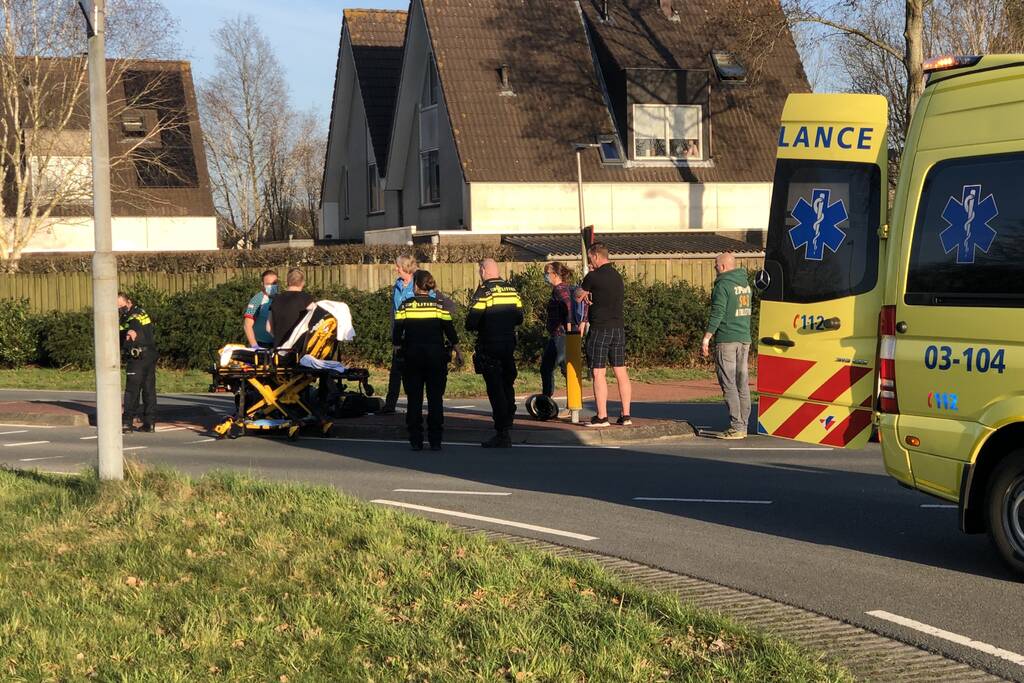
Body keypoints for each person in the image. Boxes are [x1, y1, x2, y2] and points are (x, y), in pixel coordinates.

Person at [393, 270, 461, 451]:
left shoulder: (406, 306)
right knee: (435, 399)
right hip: (436, 358)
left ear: (416, 285)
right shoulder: (439, 306)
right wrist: (458, 352)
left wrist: (398, 351)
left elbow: (397, 334)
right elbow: (450, 331)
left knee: (414, 399)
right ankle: (436, 439)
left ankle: (416, 439)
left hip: (412, 358)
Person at [466, 258, 524, 448]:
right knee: (508, 382)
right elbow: (519, 317)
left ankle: (501, 432)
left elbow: (471, 322)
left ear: (483, 271)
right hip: (508, 344)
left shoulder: (484, 292)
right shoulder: (511, 290)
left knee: (495, 387)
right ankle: (509, 417)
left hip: (490, 344)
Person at [575, 242, 632, 427]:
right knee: (621, 371)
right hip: (618, 327)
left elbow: (577, 295)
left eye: (591, 258)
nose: (590, 261)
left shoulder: (593, 276)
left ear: (596, 256)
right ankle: (626, 415)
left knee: (598, 372)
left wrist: (584, 293)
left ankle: (602, 416)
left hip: (600, 328)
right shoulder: (617, 276)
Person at [702, 251, 753, 439]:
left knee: (729, 383)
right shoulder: (745, 284)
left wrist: (707, 337)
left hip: (727, 339)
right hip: (744, 337)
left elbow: (718, 312)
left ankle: (736, 426)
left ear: (723, 266)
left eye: (716, 265)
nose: (715, 268)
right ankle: (744, 425)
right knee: (742, 383)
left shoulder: (723, 285)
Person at [382, 255, 422, 414]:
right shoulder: (397, 284)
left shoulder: (418, 284)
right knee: (395, 370)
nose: (395, 269)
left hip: (413, 334)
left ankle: (414, 404)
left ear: (405, 267)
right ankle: (390, 404)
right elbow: (394, 311)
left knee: (411, 372)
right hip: (399, 334)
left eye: (398, 266)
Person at [118, 292, 158, 433]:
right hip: (149, 355)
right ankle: (149, 423)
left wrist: (130, 334)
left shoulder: (133, 314)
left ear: (129, 302)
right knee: (148, 390)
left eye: (121, 306)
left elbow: (133, 326)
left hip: (137, 357)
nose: (119, 309)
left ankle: (127, 423)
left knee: (132, 390)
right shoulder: (141, 312)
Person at [540, 261, 574, 399]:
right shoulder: (565, 288)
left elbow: (568, 308)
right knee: (566, 369)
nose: (545, 276)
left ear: (555, 274)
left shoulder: (559, 290)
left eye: (547, 273)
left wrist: (569, 329)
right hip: (560, 334)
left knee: (547, 367)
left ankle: (546, 399)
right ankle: (572, 403)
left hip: (560, 335)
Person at [270, 268, 315, 348]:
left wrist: (279, 338)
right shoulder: (307, 299)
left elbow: (268, 327)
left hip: (278, 350)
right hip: (298, 351)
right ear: (303, 282)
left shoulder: (275, 299)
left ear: (288, 281)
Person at [243, 269, 278, 349]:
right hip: (261, 345)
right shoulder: (257, 300)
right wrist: (255, 346)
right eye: (268, 284)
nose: (272, 286)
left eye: (274, 283)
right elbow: (247, 325)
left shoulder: (280, 298)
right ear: (262, 284)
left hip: (277, 345)